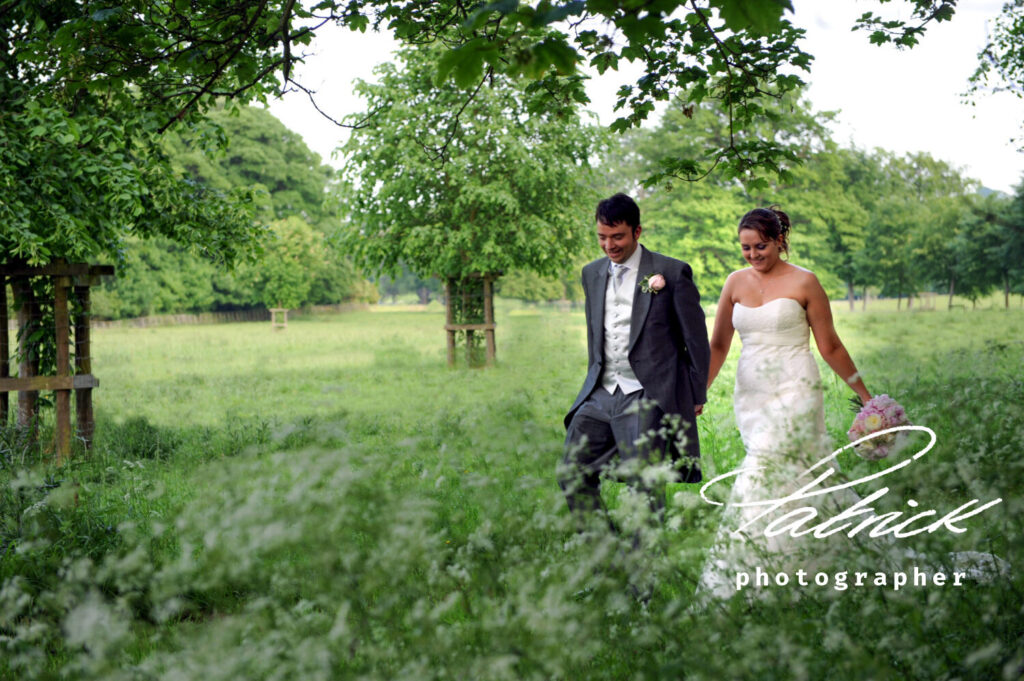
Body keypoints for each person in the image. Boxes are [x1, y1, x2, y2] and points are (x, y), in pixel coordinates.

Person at [695, 206, 1006, 599]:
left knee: (766, 465)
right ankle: (799, 561)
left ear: (779, 242)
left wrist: (866, 397)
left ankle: (760, 570)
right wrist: (700, 390)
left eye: (761, 246)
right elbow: (719, 344)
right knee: (798, 474)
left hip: (796, 386)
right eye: (746, 248)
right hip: (752, 390)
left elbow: (831, 346)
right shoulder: (734, 283)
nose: (753, 255)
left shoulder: (805, 282)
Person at [559, 193, 711, 533]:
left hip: (645, 391)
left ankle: (643, 575)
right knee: (571, 472)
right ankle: (608, 554)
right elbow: (596, 334)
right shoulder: (591, 273)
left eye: (617, 236)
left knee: (644, 486)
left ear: (637, 231)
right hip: (600, 391)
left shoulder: (671, 273)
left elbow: (696, 339)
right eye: (602, 237)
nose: (609, 245)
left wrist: (696, 393)